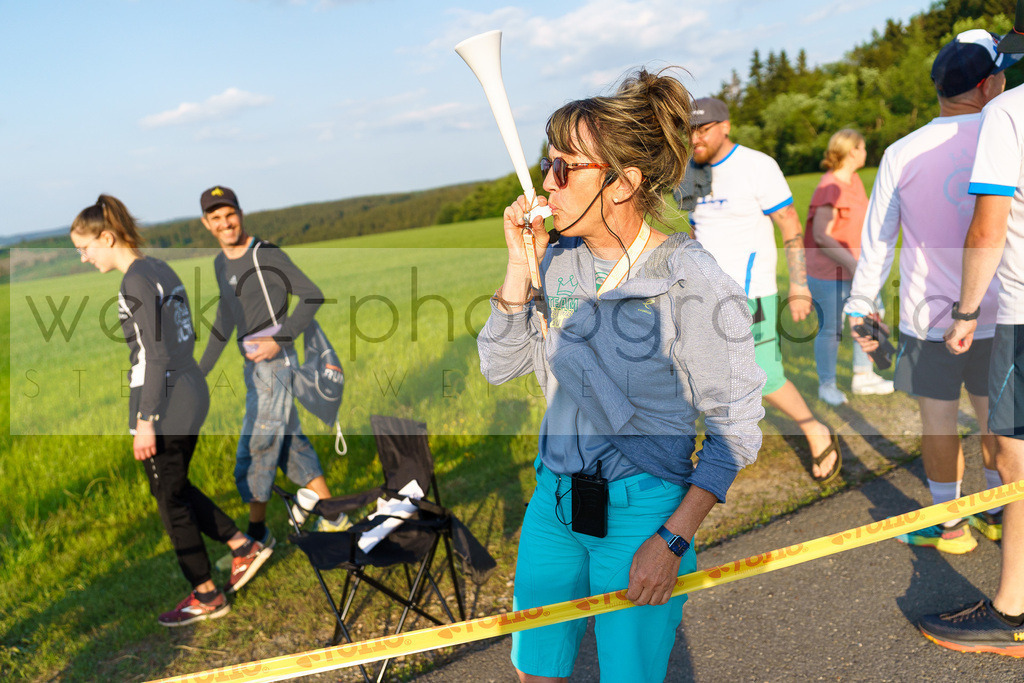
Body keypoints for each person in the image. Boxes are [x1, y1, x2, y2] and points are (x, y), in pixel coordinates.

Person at [478, 69, 765, 682]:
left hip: (644, 515)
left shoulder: (692, 280)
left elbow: (735, 430)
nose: (545, 184)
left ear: (621, 183)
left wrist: (673, 540)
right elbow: (498, 367)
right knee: (535, 671)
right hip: (553, 503)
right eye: (547, 164)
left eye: (564, 168)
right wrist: (516, 269)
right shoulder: (556, 262)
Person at [846, 29, 1013, 555]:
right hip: (1002, 307)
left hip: (928, 316)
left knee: (938, 423)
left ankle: (951, 527)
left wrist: (861, 303)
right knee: (999, 424)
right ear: (988, 86)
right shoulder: (1008, 134)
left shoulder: (900, 151)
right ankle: (1003, 517)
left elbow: (878, 239)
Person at [69, 195, 272, 627]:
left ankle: (206, 595)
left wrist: (145, 421)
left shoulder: (134, 281)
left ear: (107, 237)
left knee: (169, 501)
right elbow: (186, 333)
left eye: (85, 247)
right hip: (188, 390)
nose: (83, 257)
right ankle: (242, 545)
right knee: (174, 487)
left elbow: (154, 355)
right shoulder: (158, 268)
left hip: (165, 402)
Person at [675, 97, 840, 483]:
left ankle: (814, 429)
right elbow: (694, 229)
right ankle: (727, 445)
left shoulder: (757, 165)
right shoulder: (687, 172)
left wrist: (798, 284)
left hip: (751, 291)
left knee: (764, 373)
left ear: (726, 126)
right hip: (703, 294)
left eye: (703, 128)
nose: (695, 137)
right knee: (703, 372)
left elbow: (789, 224)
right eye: (690, 130)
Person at [923, 24, 1024, 654]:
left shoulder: (1008, 113)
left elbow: (989, 225)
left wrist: (964, 313)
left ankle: (1014, 610)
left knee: (1017, 463)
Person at [197, 185, 347, 561]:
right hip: (254, 370)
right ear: (206, 224)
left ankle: (256, 537)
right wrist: (199, 372)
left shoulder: (266, 254)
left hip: (276, 366)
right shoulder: (221, 262)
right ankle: (334, 517)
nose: (225, 223)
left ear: (240, 214)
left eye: (229, 214)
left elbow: (311, 294)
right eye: (216, 218)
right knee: (291, 443)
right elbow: (226, 317)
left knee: (258, 447)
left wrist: (278, 340)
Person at [806, 128, 893, 406]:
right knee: (832, 329)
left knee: (869, 318)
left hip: (856, 269)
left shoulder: (853, 180)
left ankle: (863, 376)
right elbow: (821, 235)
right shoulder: (829, 186)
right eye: (863, 147)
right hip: (829, 273)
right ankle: (827, 385)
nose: (866, 152)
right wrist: (853, 264)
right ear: (852, 150)